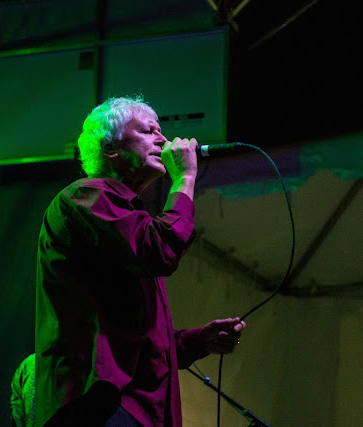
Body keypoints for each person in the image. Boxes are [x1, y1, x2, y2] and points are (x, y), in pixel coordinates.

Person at [35, 96, 246, 427]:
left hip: (136, 408)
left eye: (160, 131)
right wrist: (185, 179)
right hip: (101, 403)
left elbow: (139, 343)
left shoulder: (131, 222)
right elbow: (163, 249)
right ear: (110, 148)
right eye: (149, 130)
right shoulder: (86, 197)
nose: (162, 139)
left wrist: (197, 341)